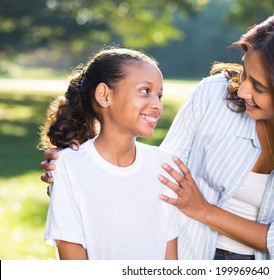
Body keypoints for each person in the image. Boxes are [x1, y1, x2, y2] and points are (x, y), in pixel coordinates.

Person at [40, 13, 274, 260]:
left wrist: (203, 209)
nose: (242, 89)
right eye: (245, 72)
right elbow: (162, 176)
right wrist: (82, 169)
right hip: (194, 255)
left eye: (259, 87)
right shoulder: (214, 97)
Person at [39, 47, 179, 260]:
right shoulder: (67, 166)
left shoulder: (165, 166)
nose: (157, 105)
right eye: (145, 91)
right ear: (104, 95)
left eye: (159, 95)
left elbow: (170, 260)